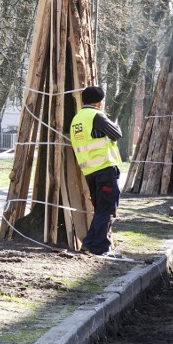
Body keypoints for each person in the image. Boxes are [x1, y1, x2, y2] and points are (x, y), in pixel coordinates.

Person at [70, 86, 123, 255]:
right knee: (107, 209)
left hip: (89, 172)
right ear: (99, 102)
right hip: (105, 169)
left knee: (101, 209)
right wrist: (114, 123)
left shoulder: (77, 119)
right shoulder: (97, 116)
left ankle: (89, 243)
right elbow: (116, 134)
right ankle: (100, 248)